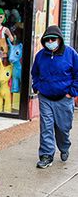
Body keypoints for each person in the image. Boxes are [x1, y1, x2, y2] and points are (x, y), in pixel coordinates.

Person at [31, 25, 78, 169]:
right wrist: (37, 87)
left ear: (60, 40)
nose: (50, 42)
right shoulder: (40, 56)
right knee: (46, 127)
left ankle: (64, 147)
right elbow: (35, 73)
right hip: (46, 98)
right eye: (47, 40)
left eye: (53, 39)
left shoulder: (71, 54)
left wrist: (72, 92)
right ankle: (46, 155)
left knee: (63, 128)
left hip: (64, 99)